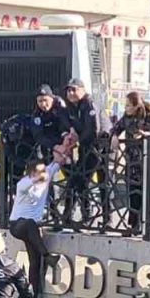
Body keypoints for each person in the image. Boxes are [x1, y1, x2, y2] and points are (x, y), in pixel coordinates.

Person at [9, 141, 71, 298]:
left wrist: (67, 146)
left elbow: (59, 162)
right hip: (18, 225)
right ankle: (48, 255)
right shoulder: (23, 184)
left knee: (34, 261)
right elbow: (32, 182)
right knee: (30, 223)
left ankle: (33, 297)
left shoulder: (46, 174)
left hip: (31, 228)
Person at [62, 77, 110, 228]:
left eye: (74, 89)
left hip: (99, 148)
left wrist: (78, 140)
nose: (70, 93)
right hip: (87, 147)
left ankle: (104, 218)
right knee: (79, 180)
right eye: (68, 90)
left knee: (102, 183)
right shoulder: (72, 107)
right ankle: (81, 214)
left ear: (82, 90)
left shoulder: (88, 103)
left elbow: (93, 129)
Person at [112, 91, 150, 233]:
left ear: (136, 106)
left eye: (128, 106)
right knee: (132, 192)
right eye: (125, 106)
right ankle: (133, 224)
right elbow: (117, 127)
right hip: (132, 160)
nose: (126, 108)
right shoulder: (127, 117)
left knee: (147, 193)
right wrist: (114, 135)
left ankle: (149, 225)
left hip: (148, 161)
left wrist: (147, 135)